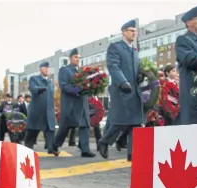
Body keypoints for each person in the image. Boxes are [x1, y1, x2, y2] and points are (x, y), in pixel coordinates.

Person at [97, 19, 144, 162]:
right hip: (121, 90)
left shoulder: (134, 51)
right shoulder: (115, 47)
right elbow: (113, 66)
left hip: (134, 91)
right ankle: (104, 142)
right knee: (121, 121)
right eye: (131, 31)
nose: (134, 33)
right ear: (124, 32)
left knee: (135, 123)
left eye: (135, 31)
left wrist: (140, 76)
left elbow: (135, 69)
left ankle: (133, 154)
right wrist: (122, 81)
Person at [53, 48, 95, 158]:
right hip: (70, 104)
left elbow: (86, 85)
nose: (78, 59)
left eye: (79, 58)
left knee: (85, 125)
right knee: (65, 127)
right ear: (70, 58)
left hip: (82, 103)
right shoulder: (64, 70)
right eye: (76, 57)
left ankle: (85, 150)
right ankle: (54, 145)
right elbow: (63, 85)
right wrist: (75, 89)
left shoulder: (82, 71)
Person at [175, 6, 197, 125]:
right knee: (193, 126)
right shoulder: (183, 40)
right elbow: (189, 59)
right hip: (192, 91)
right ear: (188, 22)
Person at [24, 61, 57, 154]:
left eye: (48, 68)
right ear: (40, 69)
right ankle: (27, 148)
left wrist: (53, 110)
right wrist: (40, 89)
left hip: (48, 111)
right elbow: (33, 89)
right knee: (32, 131)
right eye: (44, 67)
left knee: (50, 130)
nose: (47, 69)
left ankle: (51, 148)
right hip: (37, 111)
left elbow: (51, 98)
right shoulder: (34, 79)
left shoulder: (50, 83)